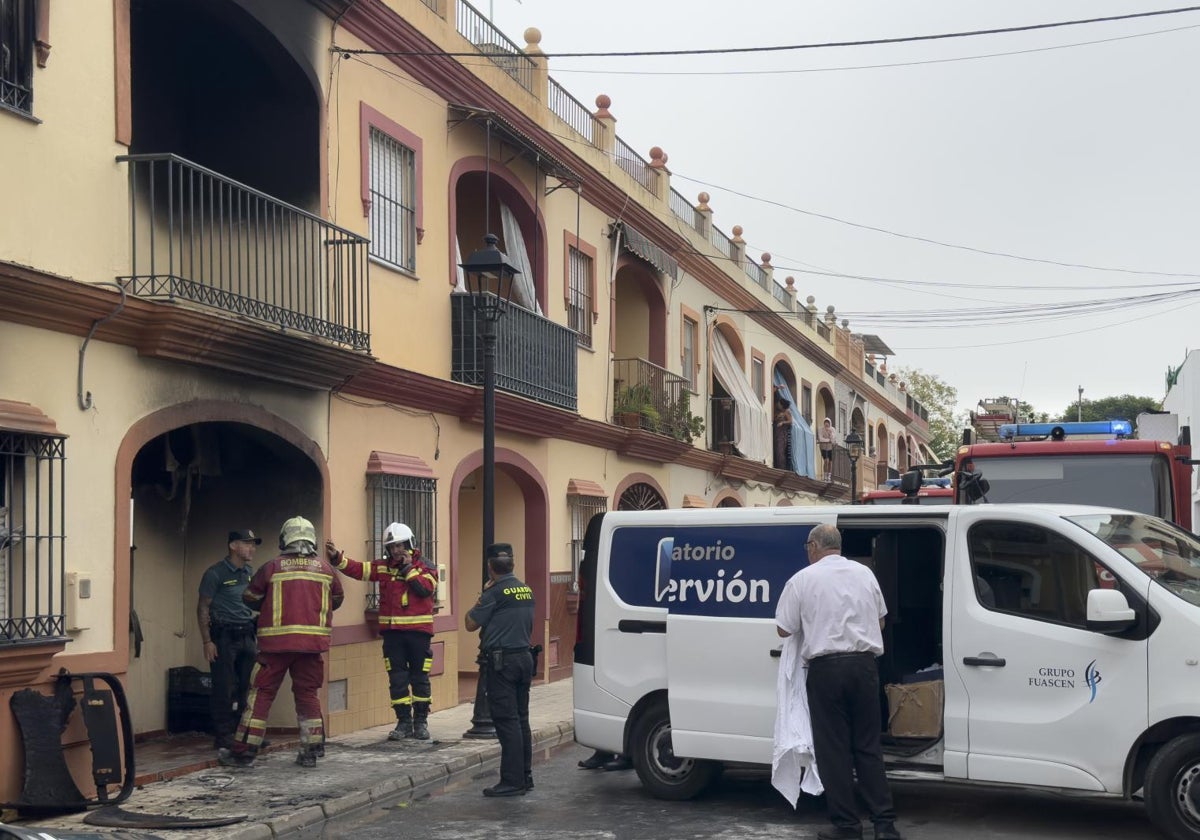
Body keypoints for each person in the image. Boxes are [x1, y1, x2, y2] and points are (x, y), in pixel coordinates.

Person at [775, 524, 902, 840]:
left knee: (834, 751)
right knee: (868, 747)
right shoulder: (865, 575)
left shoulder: (802, 579)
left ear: (815, 546)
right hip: (863, 667)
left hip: (827, 670)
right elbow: (882, 620)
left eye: (808, 546)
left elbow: (783, 629)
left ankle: (847, 827)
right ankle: (885, 825)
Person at [220, 515, 344, 769]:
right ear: (311, 539)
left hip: (274, 648)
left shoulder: (272, 567)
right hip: (311, 648)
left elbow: (250, 597)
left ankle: (243, 753)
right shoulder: (326, 569)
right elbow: (338, 599)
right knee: (308, 695)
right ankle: (311, 750)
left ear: (284, 539)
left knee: (261, 695)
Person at [325, 522, 438, 741]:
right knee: (397, 679)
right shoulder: (384, 566)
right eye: (392, 547)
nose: (396, 550)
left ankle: (421, 722)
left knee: (420, 678)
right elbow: (360, 570)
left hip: (418, 634)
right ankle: (403, 722)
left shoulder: (425, 566)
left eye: (400, 545)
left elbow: (425, 589)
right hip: (392, 634)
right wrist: (338, 558)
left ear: (410, 543)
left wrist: (407, 569)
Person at [465, 543, 535, 796]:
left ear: (490, 567)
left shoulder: (494, 593)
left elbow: (470, 623)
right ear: (512, 564)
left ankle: (512, 781)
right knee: (521, 719)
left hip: (502, 663)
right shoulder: (526, 589)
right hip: (524, 659)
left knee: (506, 721)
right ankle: (525, 775)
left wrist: (482, 596)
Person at [197, 529, 261, 750]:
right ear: (233, 546)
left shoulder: (249, 572)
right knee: (224, 687)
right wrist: (207, 641)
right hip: (224, 636)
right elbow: (203, 607)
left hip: (247, 634)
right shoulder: (216, 573)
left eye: (253, 545)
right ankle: (223, 735)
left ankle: (243, 734)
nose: (252, 548)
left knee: (248, 687)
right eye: (247, 544)